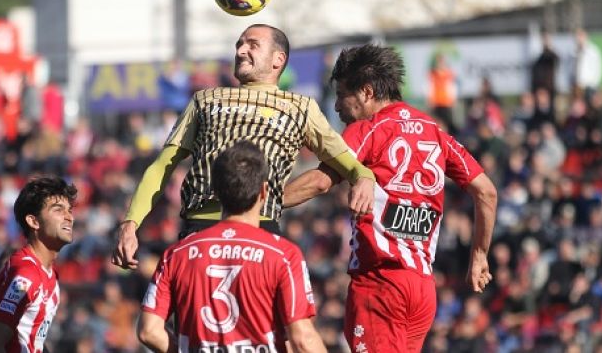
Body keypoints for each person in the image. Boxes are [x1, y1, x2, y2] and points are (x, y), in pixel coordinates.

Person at [284, 44, 497, 353]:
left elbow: (319, 182)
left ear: (366, 92)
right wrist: (479, 254)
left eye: (343, 95)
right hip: (422, 289)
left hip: (379, 284)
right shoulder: (433, 130)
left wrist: (262, 202)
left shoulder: (368, 129)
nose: (339, 108)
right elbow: (487, 191)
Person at [112, 23, 375, 269]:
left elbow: (349, 164)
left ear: (278, 59)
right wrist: (130, 223)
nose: (240, 51)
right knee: (190, 318)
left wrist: (363, 177)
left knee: (257, 319)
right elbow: (162, 167)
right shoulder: (205, 99)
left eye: (252, 44)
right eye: (239, 44)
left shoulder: (301, 107)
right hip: (201, 228)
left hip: (259, 229)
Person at [137, 141, 326, 353]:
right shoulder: (283, 255)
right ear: (264, 192)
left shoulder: (177, 254)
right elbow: (303, 338)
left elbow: (148, 330)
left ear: (216, 193)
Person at [0, 175, 77, 353]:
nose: (69, 217)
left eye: (69, 210)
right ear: (33, 221)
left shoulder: (49, 276)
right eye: (58, 210)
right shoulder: (26, 274)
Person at [428, 52, 458, 134]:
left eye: (442, 61)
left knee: (448, 122)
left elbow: (452, 87)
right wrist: (430, 100)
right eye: (439, 61)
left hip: (447, 102)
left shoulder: (449, 73)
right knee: (437, 122)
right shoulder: (433, 74)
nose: (441, 63)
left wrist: (453, 99)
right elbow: (430, 87)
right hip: (436, 102)